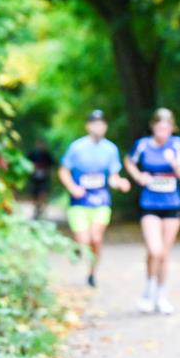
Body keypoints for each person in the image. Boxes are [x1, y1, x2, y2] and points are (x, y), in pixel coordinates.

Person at [124, 108, 180, 315]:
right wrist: (138, 176)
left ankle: (161, 295)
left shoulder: (177, 145)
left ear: (172, 128)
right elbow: (128, 161)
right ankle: (148, 291)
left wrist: (174, 162)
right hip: (149, 205)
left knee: (164, 254)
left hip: (172, 205)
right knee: (155, 250)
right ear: (153, 126)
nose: (164, 131)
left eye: (168, 127)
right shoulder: (143, 145)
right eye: (160, 127)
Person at [58, 110, 131, 287]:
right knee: (84, 240)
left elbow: (113, 177)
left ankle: (92, 273)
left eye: (102, 123)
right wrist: (72, 187)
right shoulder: (77, 147)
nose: (98, 127)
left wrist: (120, 183)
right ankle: (77, 246)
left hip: (101, 200)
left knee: (96, 239)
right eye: (95, 123)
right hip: (80, 201)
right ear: (88, 126)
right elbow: (63, 170)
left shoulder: (110, 149)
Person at [26, 139, 55, 219]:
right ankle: (37, 207)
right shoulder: (32, 154)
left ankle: (40, 207)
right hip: (34, 178)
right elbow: (26, 164)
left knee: (43, 193)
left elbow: (52, 166)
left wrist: (51, 176)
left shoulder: (47, 155)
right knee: (34, 194)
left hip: (44, 178)